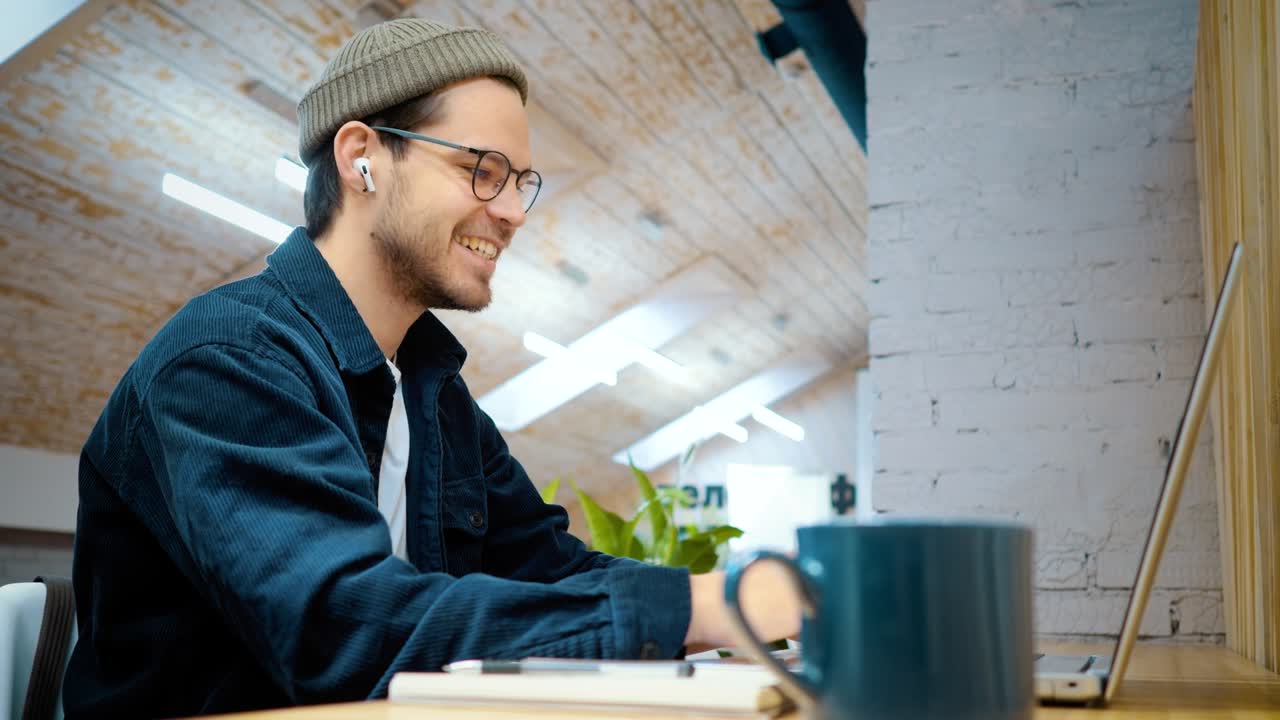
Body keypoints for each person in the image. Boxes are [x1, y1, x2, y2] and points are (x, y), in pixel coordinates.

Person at [63, 18, 799, 718]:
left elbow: (550, 569)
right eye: (482, 170)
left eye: (520, 182)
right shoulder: (228, 363)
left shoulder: (431, 387)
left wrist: (726, 601)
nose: (512, 211)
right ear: (361, 159)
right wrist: (707, 610)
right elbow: (347, 629)